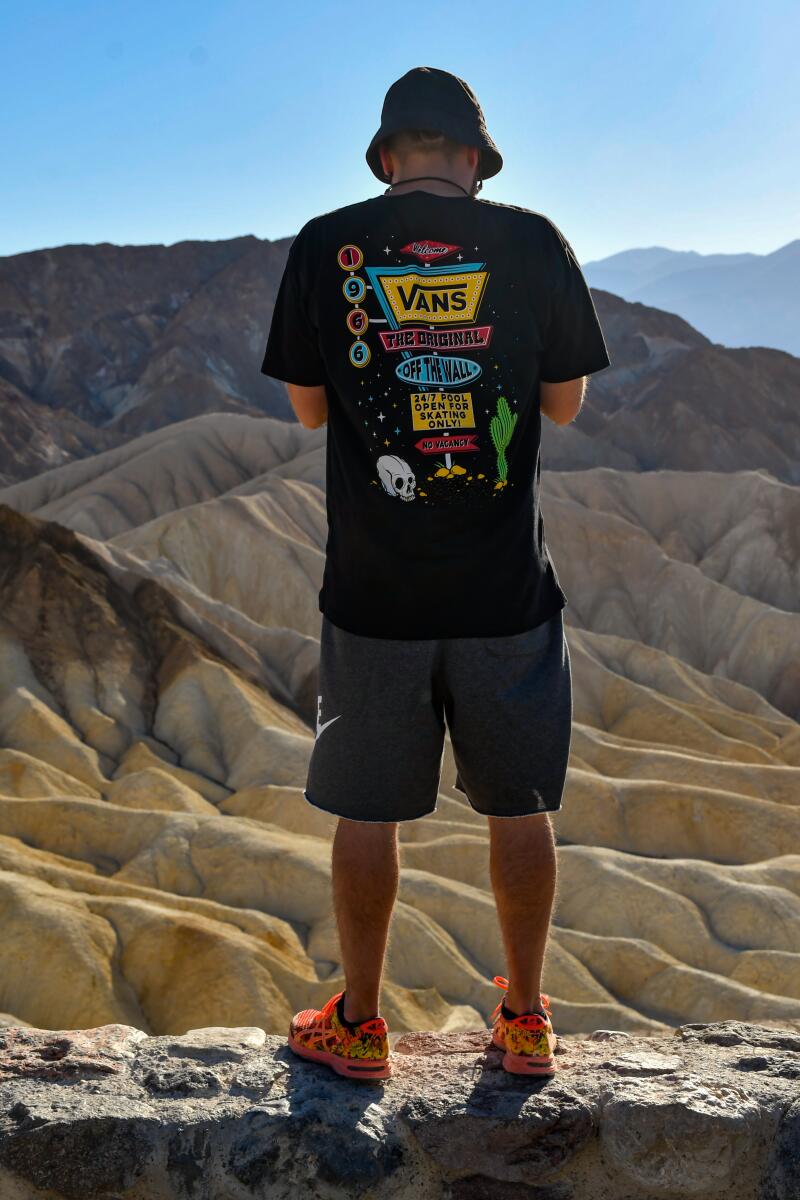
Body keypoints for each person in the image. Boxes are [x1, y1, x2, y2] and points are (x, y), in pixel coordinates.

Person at [260, 66, 610, 1079]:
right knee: (517, 806)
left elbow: (313, 411)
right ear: (471, 158)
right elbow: (562, 406)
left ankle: (360, 1025)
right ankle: (527, 1020)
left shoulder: (328, 245)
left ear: (384, 156)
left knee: (365, 810)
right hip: (504, 586)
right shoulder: (531, 242)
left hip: (375, 592)